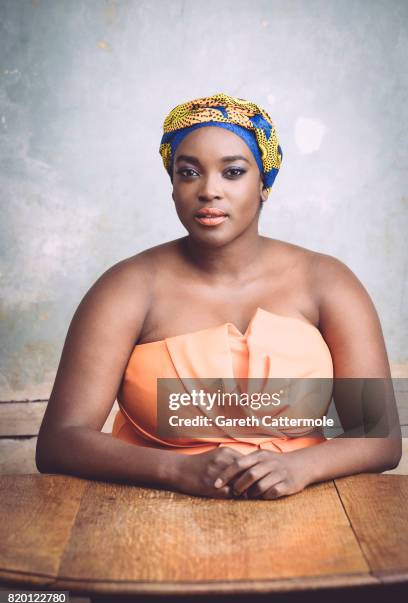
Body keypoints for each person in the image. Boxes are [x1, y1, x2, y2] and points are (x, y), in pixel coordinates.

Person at [36, 93, 401, 500]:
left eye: (232, 172)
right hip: (151, 512)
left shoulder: (327, 281)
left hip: (309, 510)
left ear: (264, 184)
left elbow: (379, 436)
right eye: (188, 172)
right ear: (172, 185)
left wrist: (299, 467)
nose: (209, 190)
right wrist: (177, 470)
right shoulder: (127, 287)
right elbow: (59, 441)